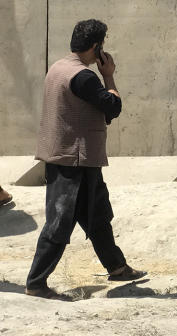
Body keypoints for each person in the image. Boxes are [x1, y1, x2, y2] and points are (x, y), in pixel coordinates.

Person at [26, 19, 146, 297]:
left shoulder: (58, 67)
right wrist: (109, 76)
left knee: (97, 215)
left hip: (73, 157)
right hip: (74, 160)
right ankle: (36, 282)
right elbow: (112, 106)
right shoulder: (84, 77)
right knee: (59, 222)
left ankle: (117, 267)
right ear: (97, 47)